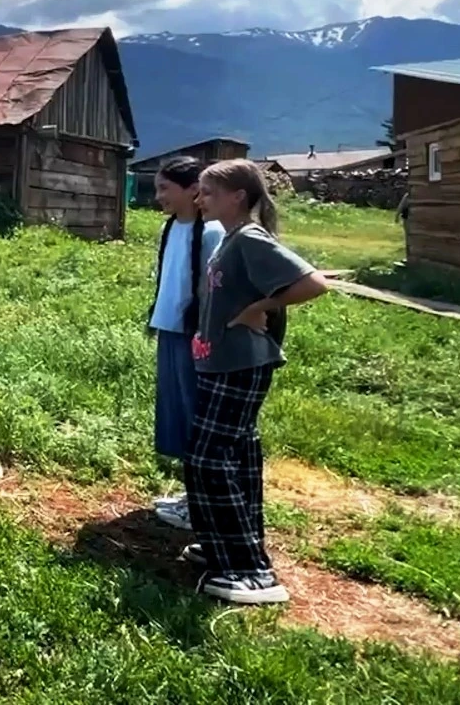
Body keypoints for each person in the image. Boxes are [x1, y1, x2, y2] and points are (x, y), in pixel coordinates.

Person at [182, 159, 328, 605]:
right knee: (236, 457)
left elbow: (313, 283)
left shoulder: (249, 239)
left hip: (242, 364)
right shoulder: (229, 240)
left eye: (208, 192)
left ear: (237, 197)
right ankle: (223, 547)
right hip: (221, 362)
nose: (199, 199)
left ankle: (250, 570)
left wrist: (255, 310)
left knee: (208, 459)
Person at [145, 157, 224, 532]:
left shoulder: (212, 234)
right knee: (178, 414)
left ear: (193, 190)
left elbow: (215, 293)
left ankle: (202, 504)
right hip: (171, 331)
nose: (158, 196)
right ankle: (191, 495)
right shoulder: (172, 228)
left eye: (165, 188)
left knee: (198, 416)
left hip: (197, 339)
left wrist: (205, 335)